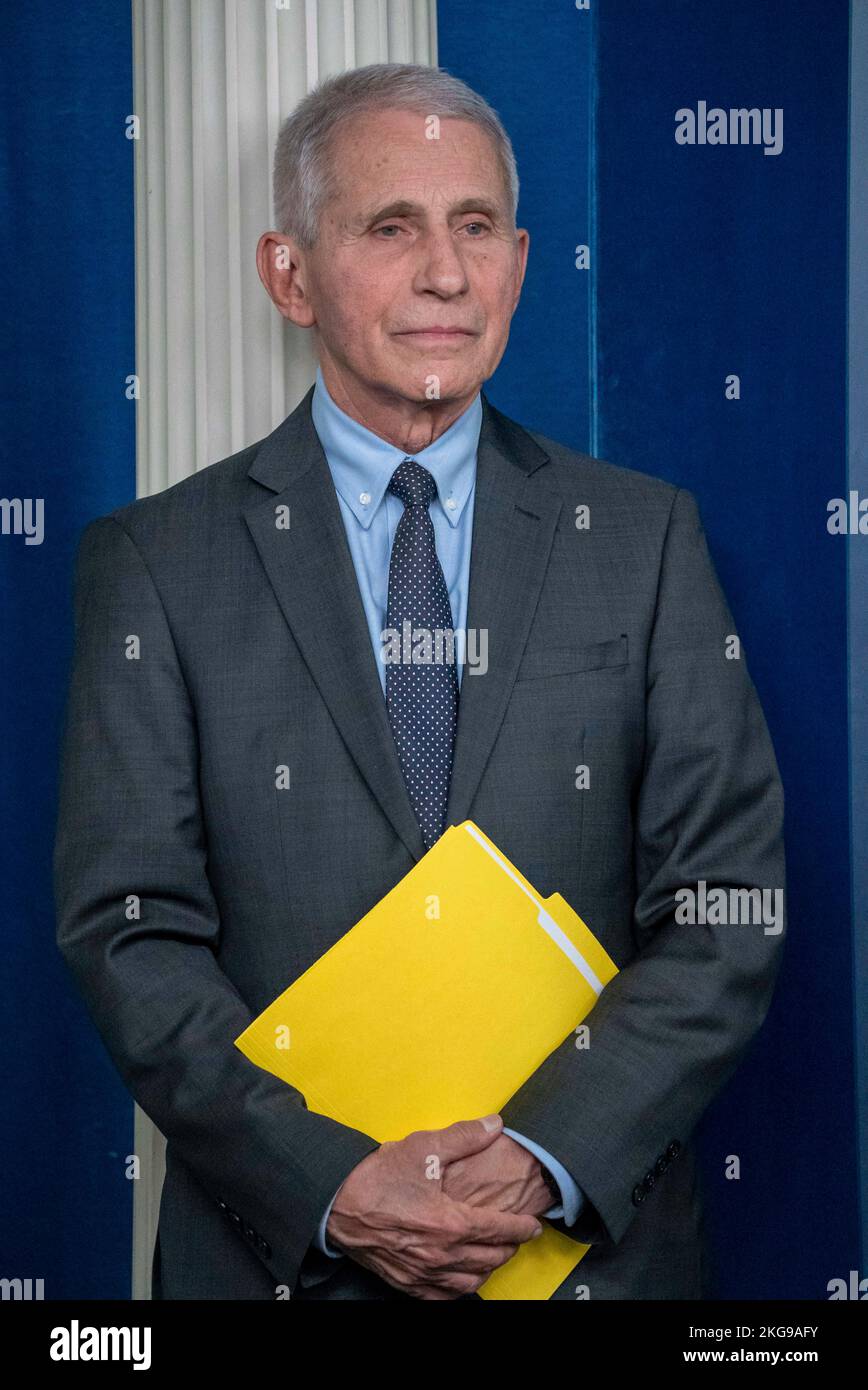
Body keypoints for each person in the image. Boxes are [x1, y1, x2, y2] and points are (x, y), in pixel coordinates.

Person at [54, 62, 786, 1301]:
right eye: (391, 227)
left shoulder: (646, 538)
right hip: (280, 1263)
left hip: (583, 1260)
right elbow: (130, 931)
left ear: (517, 258)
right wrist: (327, 1184)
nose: (445, 273)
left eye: (477, 228)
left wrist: (543, 1158)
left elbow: (726, 904)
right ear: (288, 273)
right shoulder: (154, 564)